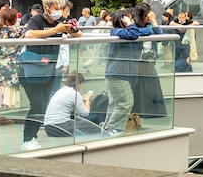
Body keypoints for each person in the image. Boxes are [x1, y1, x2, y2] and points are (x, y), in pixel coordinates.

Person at [19, 0, 83, 151]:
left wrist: (70, 29)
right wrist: (55, 30)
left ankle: (32, 137)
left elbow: (78, 34)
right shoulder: (36, 20)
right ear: (46, 7)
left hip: (49, 69)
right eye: (56, 8)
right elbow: (30, 34)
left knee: (43, 104)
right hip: (30, 68)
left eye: (61, 8)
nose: (59, 11)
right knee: (37, 104)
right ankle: (27, 139)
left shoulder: (61, 20)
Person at [104, 7, 160, 136]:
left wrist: (153, 23)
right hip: (116, 74)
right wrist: (129, 25)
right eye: (130, 18)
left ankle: (107, 129)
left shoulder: (131, 30)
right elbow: (133, 35)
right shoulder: (116, 31)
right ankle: (113, 129)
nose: (133, 20)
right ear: (123, 20)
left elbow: (148, 32)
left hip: (124, 74)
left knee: (115, 103)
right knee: (125, 102)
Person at [44, 72, 101, 137]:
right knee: (94, 118)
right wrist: (87, 99)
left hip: (49, 128)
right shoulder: (74, 93)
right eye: (82, 84)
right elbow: (85, 113)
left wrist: (81, 99)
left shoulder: (61, 90)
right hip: (61, 127)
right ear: (79, 84)